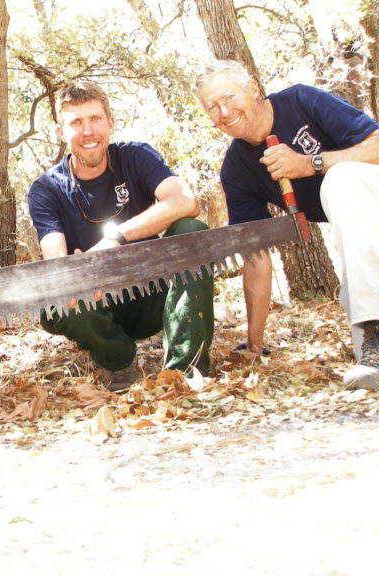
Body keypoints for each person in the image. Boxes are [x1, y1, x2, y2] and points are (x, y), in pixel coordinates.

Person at [193, 59, 379, 389]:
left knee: (342, 180)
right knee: (361, 324)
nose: (223, 112)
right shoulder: (236, 169)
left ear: (253, 89)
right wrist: (254, 344)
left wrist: (311, 163)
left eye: (229, 97)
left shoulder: (301, 100)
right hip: (366, 243)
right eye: (212, 107)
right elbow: (256, 254)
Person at [27, 80, 214, 391]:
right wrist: (80, 275)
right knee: (59, 295)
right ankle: (117, 361)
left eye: (95, 119)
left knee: (191, 232)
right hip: (97, 306)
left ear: (110, 123)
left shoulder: (135, 157)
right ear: (61, 132)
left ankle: (186, 368)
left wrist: (114, 239)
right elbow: (55, 258)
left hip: (150, 293)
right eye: (76, 122)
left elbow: (185, 202)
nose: (88, 131)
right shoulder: (46, 189)